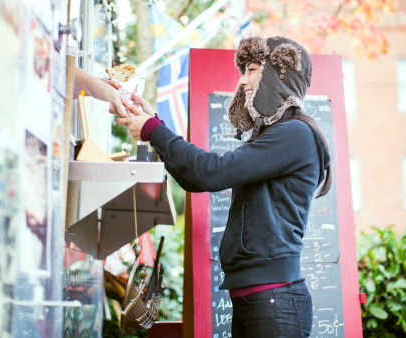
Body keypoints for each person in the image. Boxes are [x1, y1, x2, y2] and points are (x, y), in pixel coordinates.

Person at [116, 35, 331, 338]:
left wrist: (154, 131)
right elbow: (195, 180)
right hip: (258, 300)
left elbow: (211, 173)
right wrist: (153, 124)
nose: (242, 82)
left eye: (252, 70)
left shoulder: (294, 134)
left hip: (275, 303)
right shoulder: (278, 136)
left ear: (277, 75)